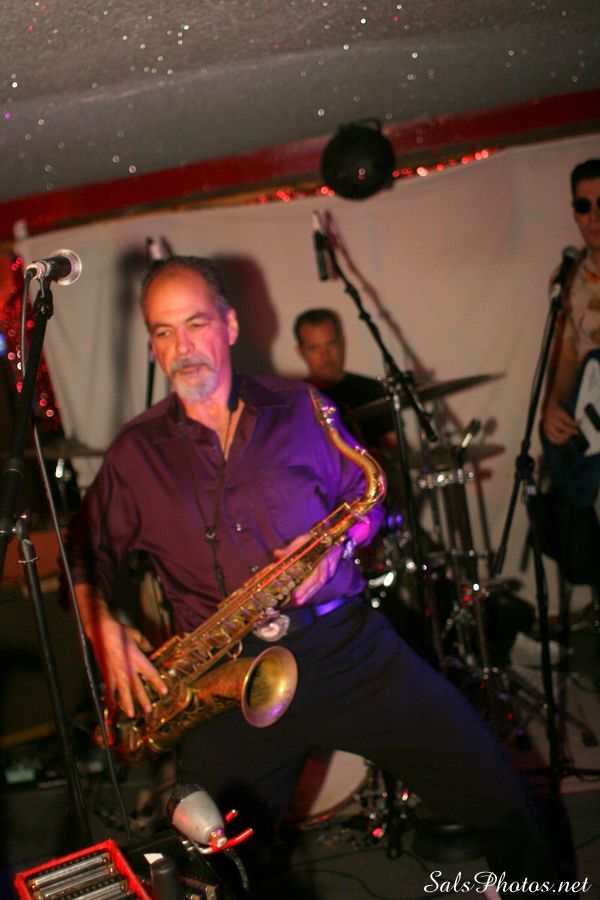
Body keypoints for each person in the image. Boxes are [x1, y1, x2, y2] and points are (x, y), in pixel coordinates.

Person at [66, 257, 556, 894]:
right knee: (209, 872)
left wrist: (337, 546)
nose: (181, 347)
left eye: (195, 323)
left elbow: (369, 498)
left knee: (497, 795)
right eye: (164, 331)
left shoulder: (302, 406)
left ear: (229, 325)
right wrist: (99, 623)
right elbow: (82, 554)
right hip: (221, 681)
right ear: (152, 344)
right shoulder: (136, 453)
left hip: (344, 648)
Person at [540, 158, 600, 585]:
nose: (594, 216)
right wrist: (552, 405)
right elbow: (566, 356)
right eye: (584, 205)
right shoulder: (571, 277)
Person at [293, 307, 395, 451]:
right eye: (314, 348)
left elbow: (395, 450)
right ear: (301, 352)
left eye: (331, 344)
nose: (325, 355)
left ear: (342, 342)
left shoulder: (371, 390)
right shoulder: (295, 401)